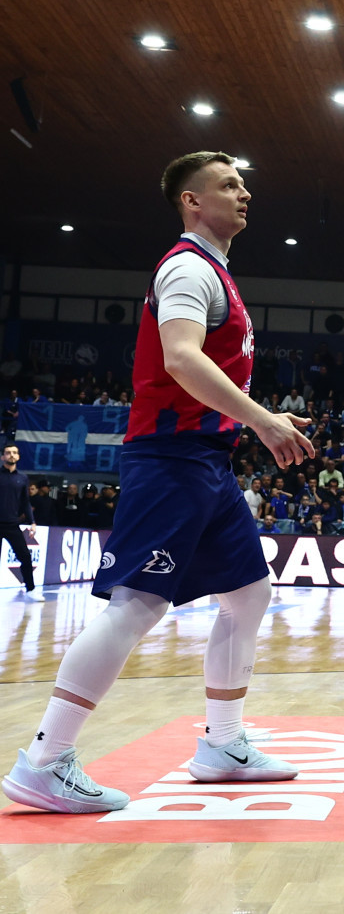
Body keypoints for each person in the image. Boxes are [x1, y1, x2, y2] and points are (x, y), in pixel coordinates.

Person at [4, 153, 314, 815]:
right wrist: (262, 420)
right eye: (229, 184)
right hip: (170, 459)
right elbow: (179, 356)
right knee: (137, 606)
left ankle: (222, 745)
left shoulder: (217, 274)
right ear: (192, 202)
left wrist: (253, 421)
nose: (245, 191)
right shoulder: (186, 267)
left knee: (249, 594)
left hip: (207, 462)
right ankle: (44, 758)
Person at [1, 444, 34, 596]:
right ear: (3, 457)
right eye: (8, 453)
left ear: (19, 456)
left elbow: (25, 502)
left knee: (25, 557)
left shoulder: (23, 477)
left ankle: (31, 590)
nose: (11, 455)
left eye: (14, 452)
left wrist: (32, 521)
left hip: (13, 525)